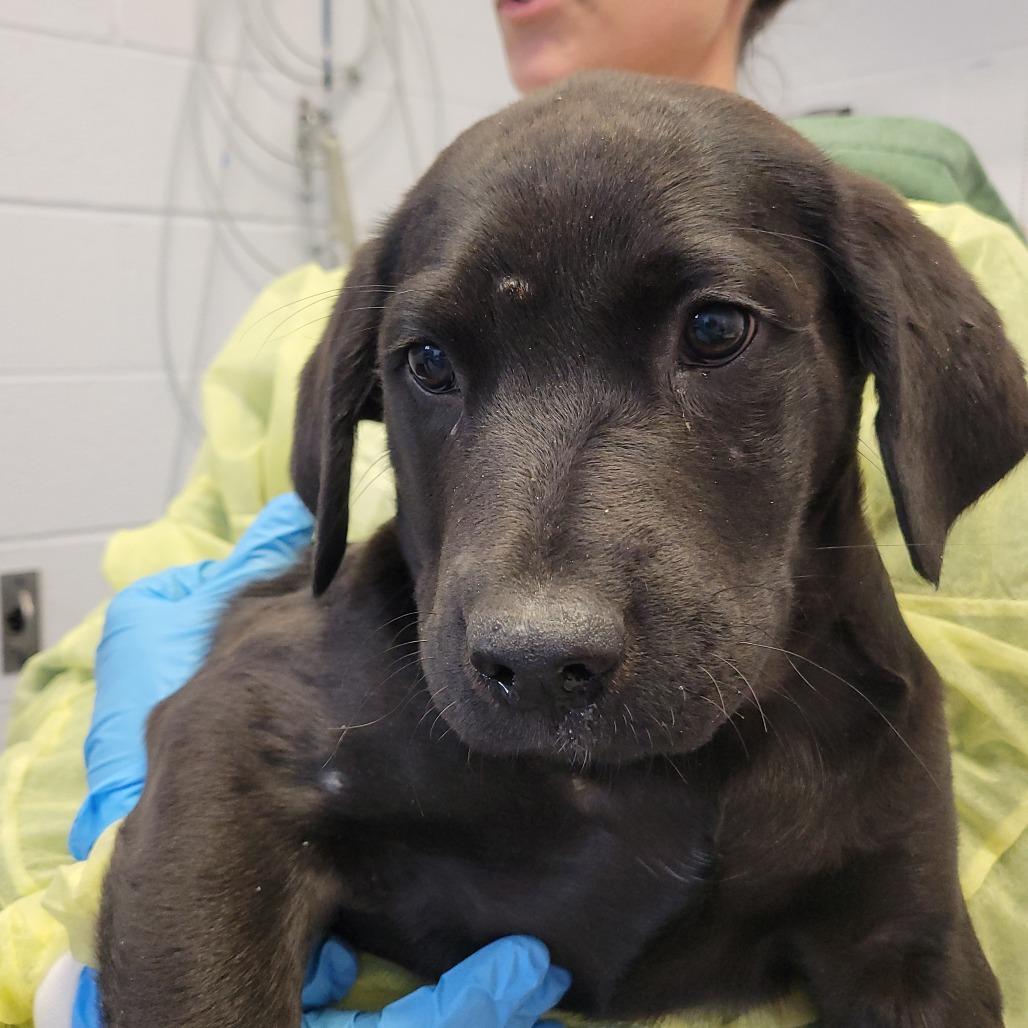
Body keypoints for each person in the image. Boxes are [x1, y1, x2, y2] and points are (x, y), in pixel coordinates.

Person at [2, 1, 1026, 1026]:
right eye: (433, 365)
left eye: (713, 332)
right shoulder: (390, 270)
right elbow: (222, 760)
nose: (535, 615)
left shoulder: (921, 249)